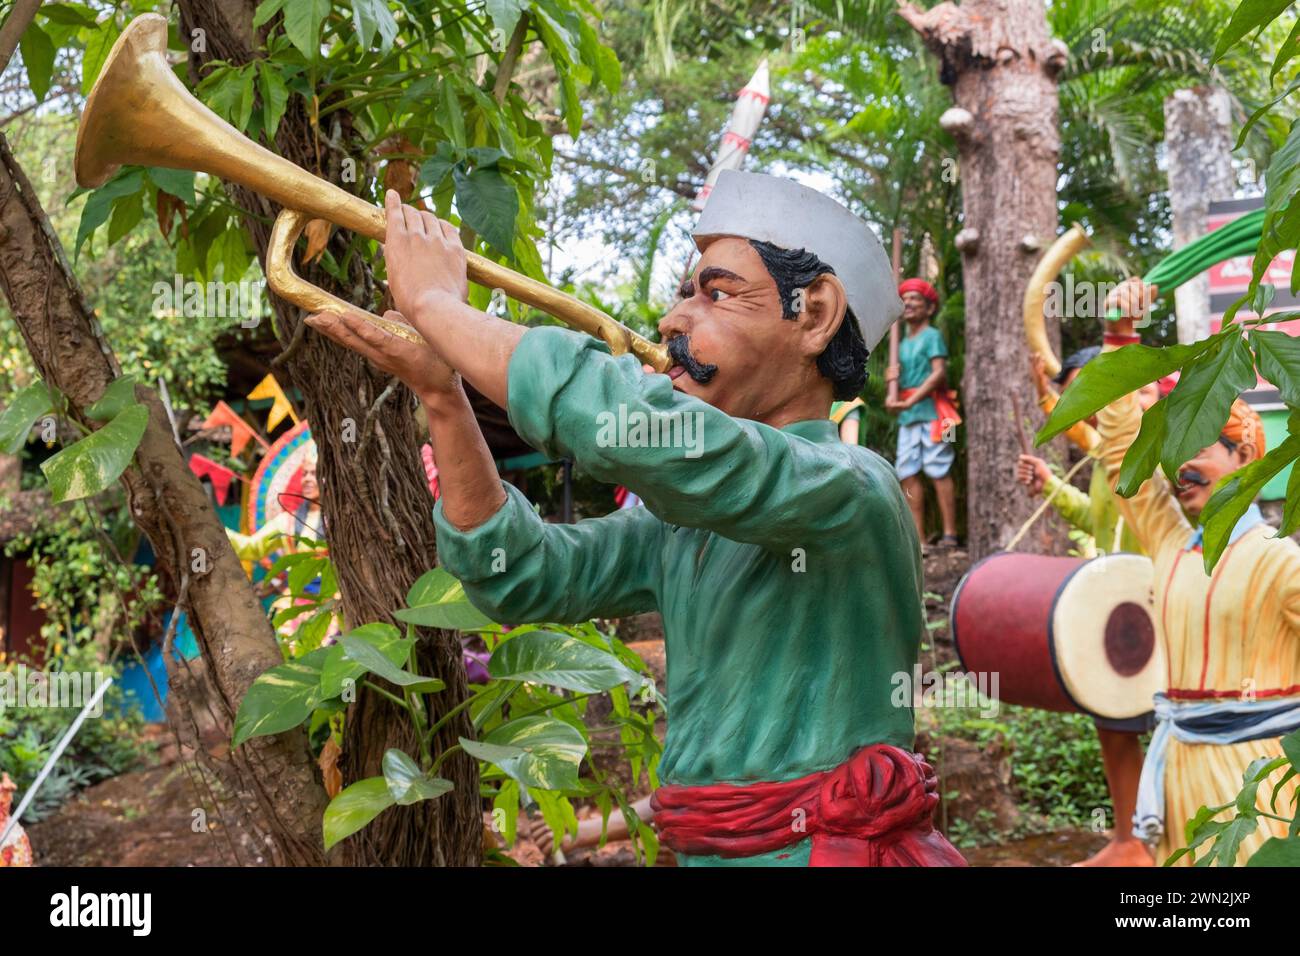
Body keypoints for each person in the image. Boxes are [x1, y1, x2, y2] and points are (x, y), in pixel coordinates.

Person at [304, 170, 966, 867]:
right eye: (684, 295)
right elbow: (521, 575)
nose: (672, 321)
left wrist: (437, 303)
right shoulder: (683, 526)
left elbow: (635, 428)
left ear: (815, 312)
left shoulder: (852, 488)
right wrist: (443, 397)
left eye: (715, 293)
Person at [1095, 277, 1300, 866]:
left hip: (1256, 783)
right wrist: (1118, 337)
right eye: (1177, 445)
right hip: (1179, 767)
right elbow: (1118, 454)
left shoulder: (1278, 558)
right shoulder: (1170, 542)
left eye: (1204, 444)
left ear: (1246, 455)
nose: (1182, 463)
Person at [1015, 349, 1160, 867]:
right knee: (1113, 724)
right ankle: (1128, 841)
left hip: (1159, 609)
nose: (1093, 407)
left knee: (1169, 728)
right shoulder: (1105, 452)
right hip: (1113, 609)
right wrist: (1051, 485)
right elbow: (1094, 514)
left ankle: (1175, 844)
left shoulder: (1168, 444)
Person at [885, 278, 959, 548]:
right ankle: (918, 536)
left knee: (939, 467)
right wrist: (890, 388)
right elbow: (897, 383)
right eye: (906, 299)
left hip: (937, 414)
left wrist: (911, 400)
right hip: (909, 415)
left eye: (916, 299)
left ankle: (950, 533)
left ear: (929, 308)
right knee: (907, 470)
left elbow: (939, 373)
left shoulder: (932, 336)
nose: (909, 304)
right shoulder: (900, 345)